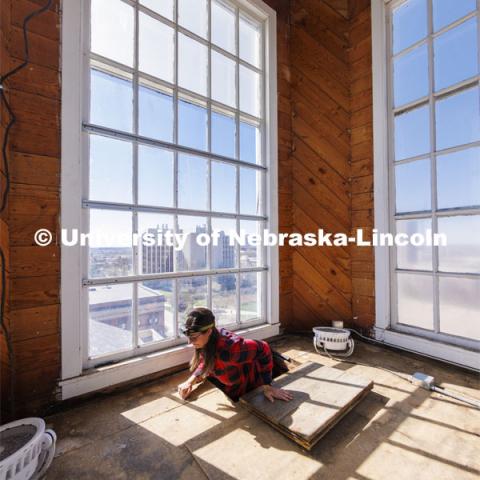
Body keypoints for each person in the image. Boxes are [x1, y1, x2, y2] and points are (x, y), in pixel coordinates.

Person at [177, 307, 293, 403]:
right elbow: (206, 361)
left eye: (193, 338)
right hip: (230, 385)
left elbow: (264, 347)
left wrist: (267, 386)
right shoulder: (208, 341)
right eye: (188, 337)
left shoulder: (231, 351)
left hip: (248, 387)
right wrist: (190, 382)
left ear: (209, 331)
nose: (189, 342)